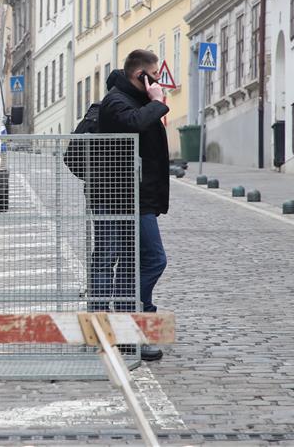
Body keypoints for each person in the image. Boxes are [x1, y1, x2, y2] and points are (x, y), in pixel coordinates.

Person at [96, 49, 170, 361]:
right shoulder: (117, 101)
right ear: (139, 74)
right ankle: (125, 321)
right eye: (154, 76)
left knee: (130, 262)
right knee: (150, 258)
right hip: (121, 196)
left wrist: (153, 102)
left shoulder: (134, 99)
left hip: (137, 197)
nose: (158, 82)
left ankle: (128, 328)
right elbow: (133, 125)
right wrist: (156, 102)